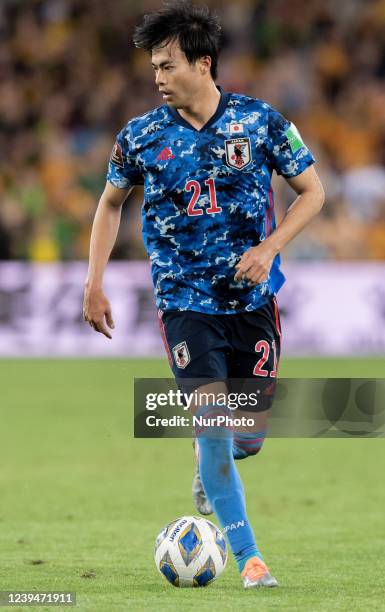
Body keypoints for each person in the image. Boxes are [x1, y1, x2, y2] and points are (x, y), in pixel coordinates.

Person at [83, 0, 324, 589]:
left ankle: (209, 456)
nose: (157, 78)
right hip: (184, 303)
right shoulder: (140, 136)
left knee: (249, 436)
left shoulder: (260, 122)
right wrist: (94, 282)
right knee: (214, 423)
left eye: (167, 66)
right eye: (153, 68)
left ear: (203, 63)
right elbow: (110, 204)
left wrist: (268, 248)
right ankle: (250, 559)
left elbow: (312, 192)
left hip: (253, 300)